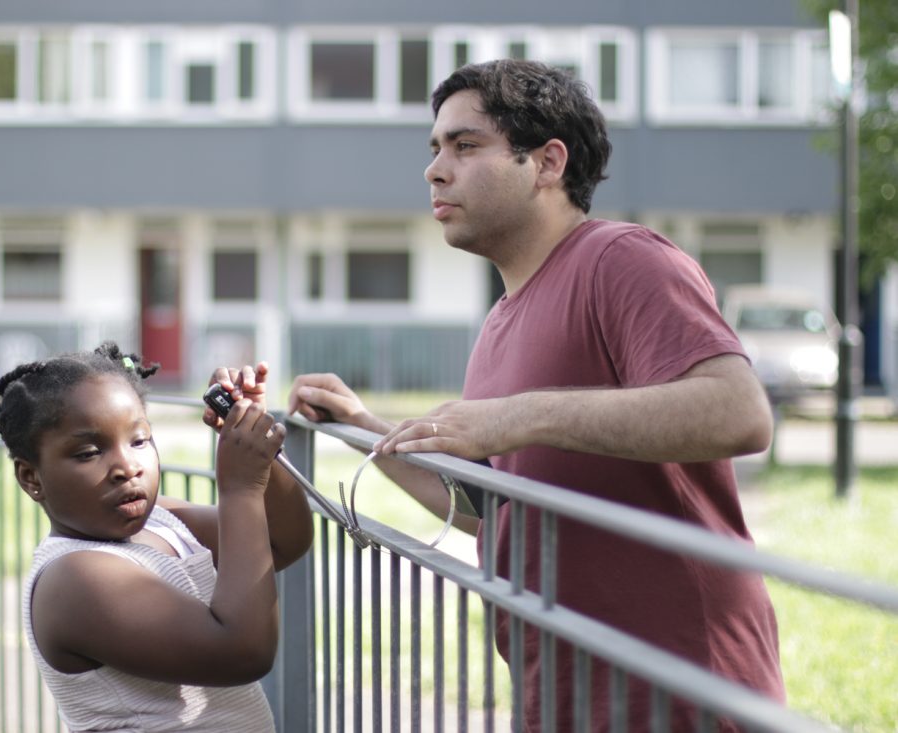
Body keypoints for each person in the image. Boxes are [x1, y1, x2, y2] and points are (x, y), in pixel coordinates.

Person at [287, 59, 784, 732]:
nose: (436, 170)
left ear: (547, 162)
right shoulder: (499, 320)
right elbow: (494, 512)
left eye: (465, 146)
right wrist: (365, 426)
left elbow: (739, 411)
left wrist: (520, 416)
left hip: (679, 692)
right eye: (435, 149)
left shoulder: (623, 259)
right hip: (560, 694)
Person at [0, 342, 313, 732]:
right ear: (31, 477)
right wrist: (240, 490)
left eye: (139, 440)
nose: (127, 467)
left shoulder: (164, 521)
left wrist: (252, 437)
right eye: (89, 452)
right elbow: (243, 653)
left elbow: (283, 538)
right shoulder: (75, 577)